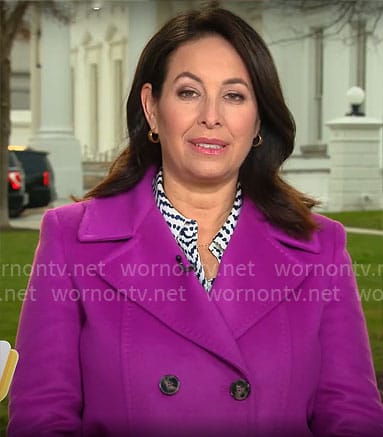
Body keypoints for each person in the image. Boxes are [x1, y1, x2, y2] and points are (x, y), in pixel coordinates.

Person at [8, 4, 383, 437]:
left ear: (258, 117)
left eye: (234, 95)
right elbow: (41, 418)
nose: (211, 116)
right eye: (189, 92)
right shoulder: (70, 240)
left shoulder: (322, 248)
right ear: (152, 108)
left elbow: (352, 416)